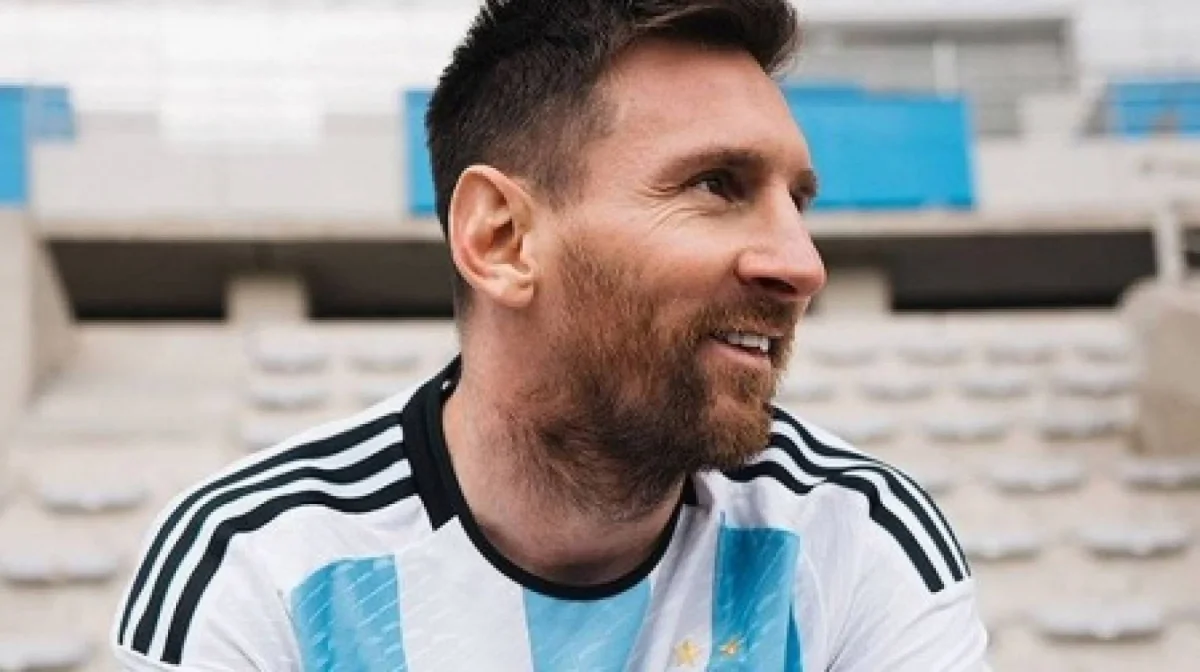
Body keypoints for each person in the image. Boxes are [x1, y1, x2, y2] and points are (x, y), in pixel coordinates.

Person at [112, 0, 988, 669]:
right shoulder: (256, 565)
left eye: (797, 202)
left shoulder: (854, 538)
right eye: (716, 185)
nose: (801, 265)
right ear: (502, 240)